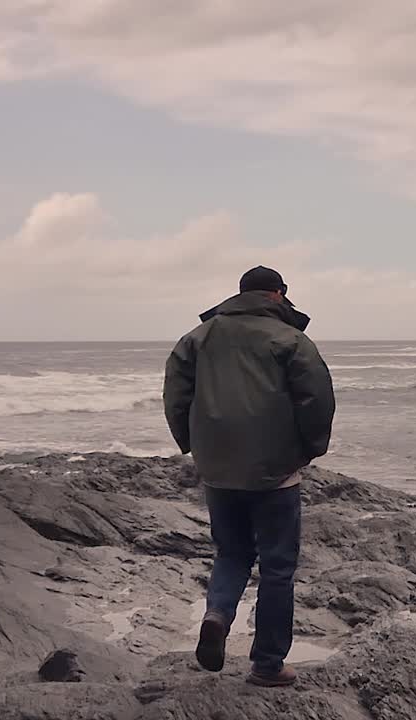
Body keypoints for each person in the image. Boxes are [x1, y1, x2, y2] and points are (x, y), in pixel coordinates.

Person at [162, 266, 335, 687]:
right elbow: (317, 400)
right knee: (277, 567)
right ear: (278, 294)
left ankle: (217, 617)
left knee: (231, 553)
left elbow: (175, 395)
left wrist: (194, 446)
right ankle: (268, 665)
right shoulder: (291, 340)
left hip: (218, 469)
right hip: (276, 473)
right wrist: (310, 449)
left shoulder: (196, 339)